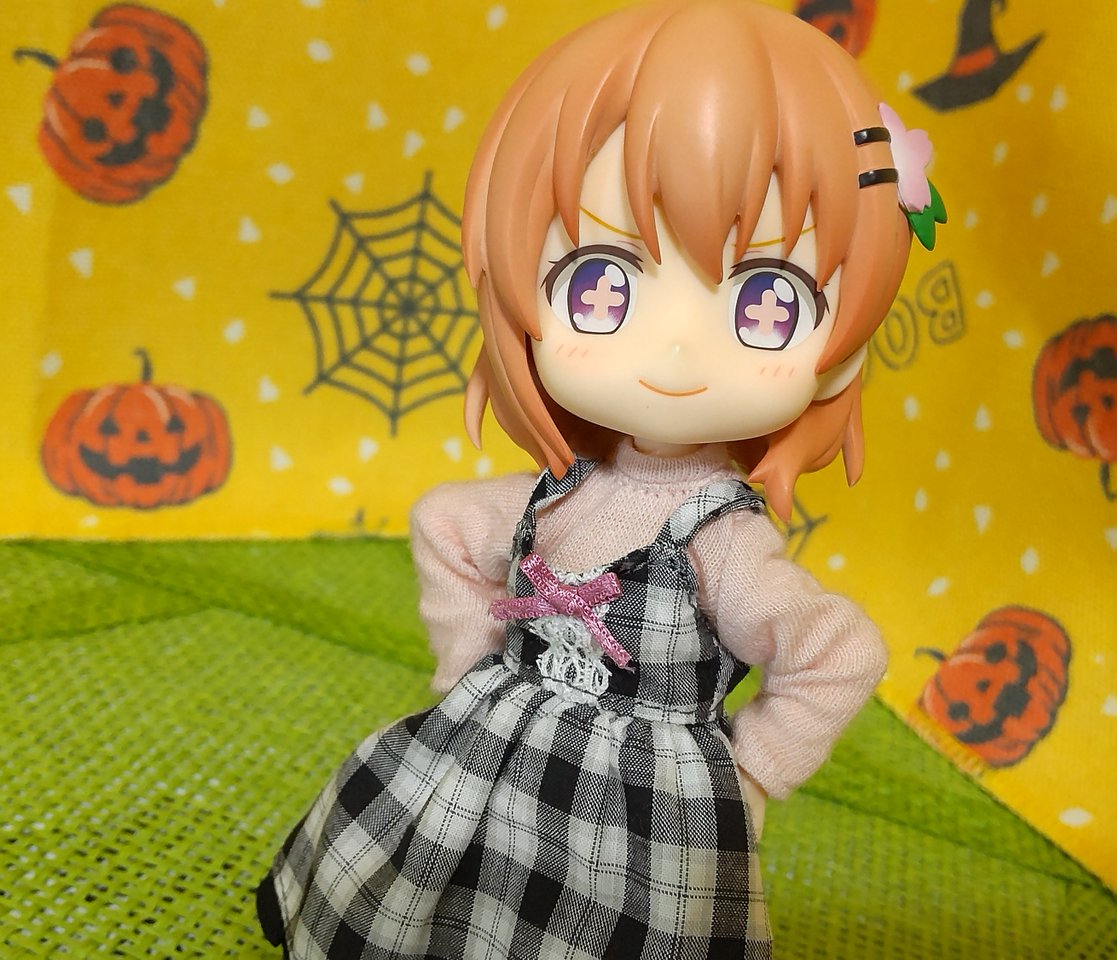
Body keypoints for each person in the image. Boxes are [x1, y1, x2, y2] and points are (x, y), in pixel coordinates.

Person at [258, 2, 938, 956]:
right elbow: (446, 522)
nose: (675, 347)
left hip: (640, 816)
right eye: (601, 284)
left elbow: (839, 651)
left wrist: (751, 772)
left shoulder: (719, 539)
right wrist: (468, 667)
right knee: (432, 880)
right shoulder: (559, 491)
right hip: (489, 751)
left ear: (838, 356)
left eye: (767, 301)